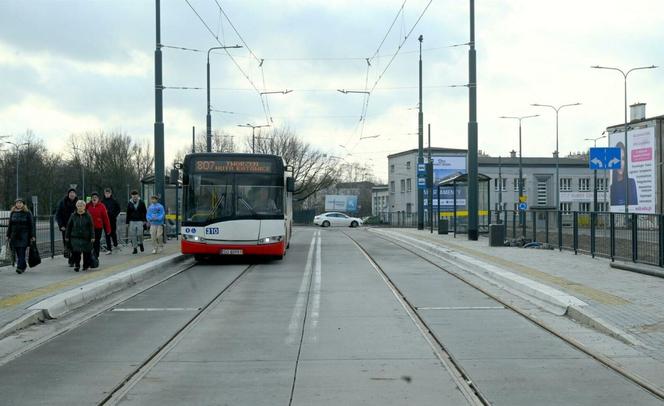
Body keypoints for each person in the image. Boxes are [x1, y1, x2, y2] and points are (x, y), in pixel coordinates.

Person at [6, 198, 34, 274]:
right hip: (14, 236)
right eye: (17, 203)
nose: (19, 204)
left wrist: (32, 236)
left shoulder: (27, 213)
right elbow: (10, 225)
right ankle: (23, 265)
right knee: (18, 253)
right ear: (15, 204)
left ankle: (19, 267)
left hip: (24, 235)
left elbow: (31, 225)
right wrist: (8, 235)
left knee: (22, 252)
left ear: (23, 204)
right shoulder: (13, 213)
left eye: (20, 202)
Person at [65, 200, 94, 272]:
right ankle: (77, 265)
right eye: (78, 206)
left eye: (81, 206)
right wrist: (67, 236)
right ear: (76, 207)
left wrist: (92, 236)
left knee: (86, 252)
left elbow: (91, 227)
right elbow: (69, 226)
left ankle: (85, 266)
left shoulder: (88, 215)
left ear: (84, 207)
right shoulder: (73, 215)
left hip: (86, 237)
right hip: (75, 237)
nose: (80, 207)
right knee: (76, 252)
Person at [610, 141, 638, 206]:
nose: (621, 163)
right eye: (618, 159)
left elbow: (635, 207)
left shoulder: (631, 183)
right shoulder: (612, 188)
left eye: (623, 159)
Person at [55, 188, 78, 266]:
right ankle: (70, 259)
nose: (72, 194)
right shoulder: (62, 203)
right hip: (65, 227)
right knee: (67, 244)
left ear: (75, 194)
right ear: (68, 194)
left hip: (76, 227)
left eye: (73, 193)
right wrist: (61, 225)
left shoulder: (79, 203)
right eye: (70, 193)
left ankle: (73, 259)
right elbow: (58, 215)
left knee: (75, 243)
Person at [86, 192, 111, 259]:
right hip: (89, 228)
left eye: (95, 197)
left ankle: (96, 255)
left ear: (98, 199)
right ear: (91, 199)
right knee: (90, 242)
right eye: (93, 197)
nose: (94, 199)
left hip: (98, 227)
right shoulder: (87, 206)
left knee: (96, 242)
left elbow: (106, 218)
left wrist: (108, 228)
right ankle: (90, 254)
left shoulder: (101, 206)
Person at [126, 190, 147, 254]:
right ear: (131, 196)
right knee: (133, 235)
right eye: (133, 195)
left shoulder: (141, 202)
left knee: (140, 234)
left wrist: (144, 220)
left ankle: (141, 243)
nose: (134, 197)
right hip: (132, 221)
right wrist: (127, 222)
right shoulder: (129, 203)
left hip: (140, 220)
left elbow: (144, 212)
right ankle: (135, 248)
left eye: (135, 195)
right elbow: (128, 213)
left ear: (137, 195)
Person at [101, 188, 121, 254]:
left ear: (110, 193)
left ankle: (115, 244)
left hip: (112, 219)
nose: (107, 194)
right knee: (107, 234)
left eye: (108, 193)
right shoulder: (102, 202)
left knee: (113, 233)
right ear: (104, 194)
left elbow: (118, 209)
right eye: (106, 193)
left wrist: (115, 215)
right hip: (105, 220)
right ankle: (109, 249)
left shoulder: (114, 201)